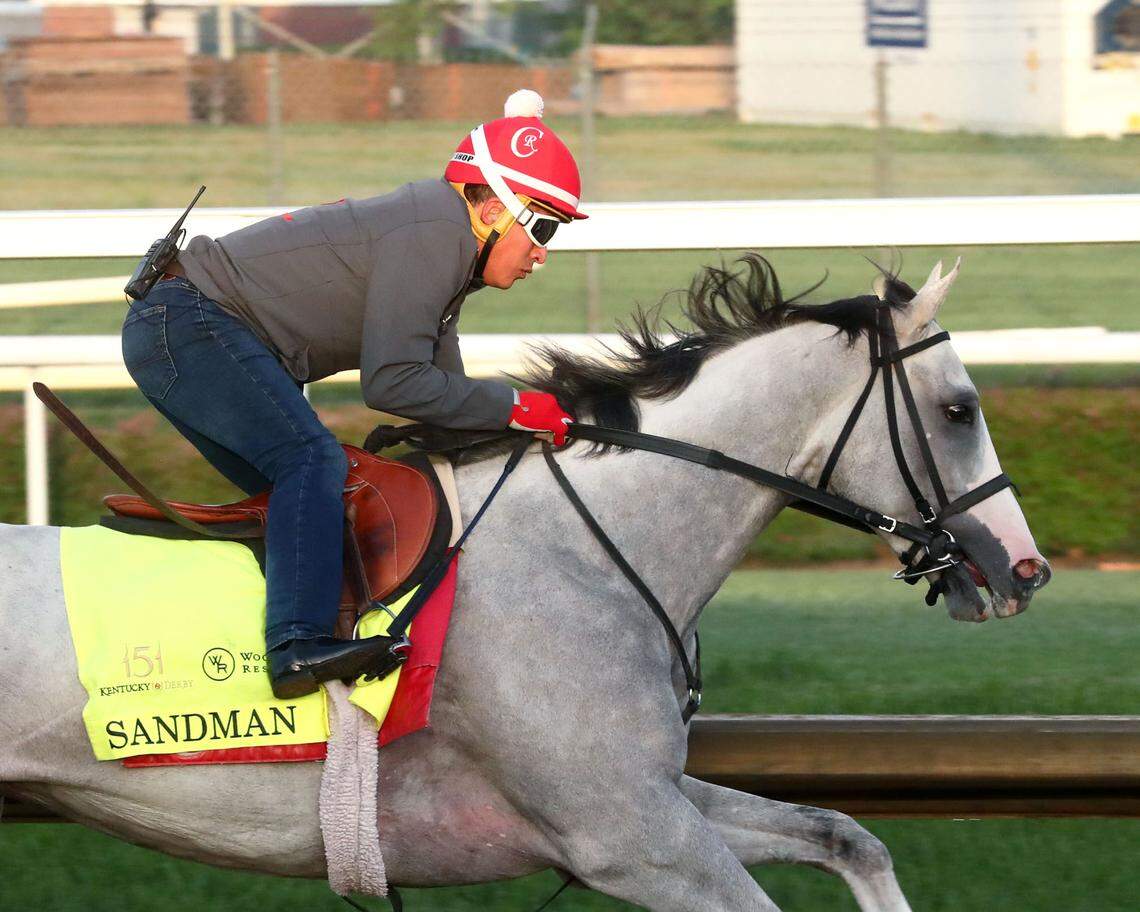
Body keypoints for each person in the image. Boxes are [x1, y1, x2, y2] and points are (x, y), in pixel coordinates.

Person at [120, 90, 585, 698]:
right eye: (543, 226)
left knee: (317, 495)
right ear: (494, 208)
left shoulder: (444, 244)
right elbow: (394, 382)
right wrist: (519, 407)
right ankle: (297, 649)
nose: (542, 254)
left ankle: (284, 644)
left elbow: (442, 400)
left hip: (186, 327)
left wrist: (525, 428)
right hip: (189, 323)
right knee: (311, 462)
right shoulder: (433, 233)